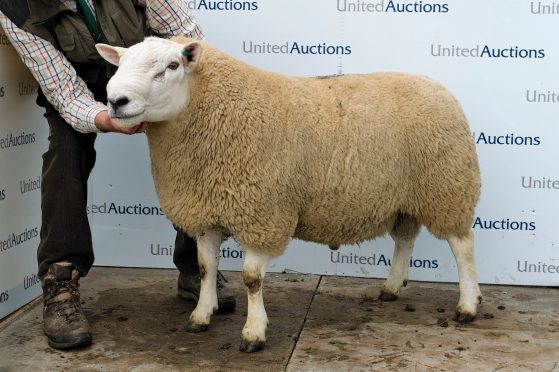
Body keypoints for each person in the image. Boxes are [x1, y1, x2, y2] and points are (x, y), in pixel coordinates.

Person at [0, 0, 235, 350]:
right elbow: (64, 91)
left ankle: (197, 266)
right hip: (79, 82)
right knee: (65, 152)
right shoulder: (15, 8)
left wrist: (167, 91)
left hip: (149, 71)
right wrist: (106, 119)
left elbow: (188, 38)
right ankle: (60, 283)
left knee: (192, 142)